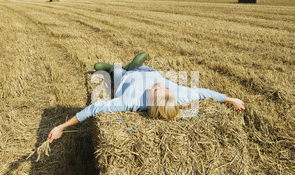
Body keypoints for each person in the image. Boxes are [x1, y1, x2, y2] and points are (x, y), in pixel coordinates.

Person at [48, 52, 245, 143]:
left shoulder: (130, 102)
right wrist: (231, 99)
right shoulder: (177, 95)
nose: (162, 86)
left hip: (126, 79)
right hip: (149, 71)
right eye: (165, 89)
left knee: (117, 72)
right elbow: (205, 92)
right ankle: (134, 64)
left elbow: (93, 109)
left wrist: (60, 127)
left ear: (150, 102)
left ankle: (114, 68)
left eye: (158, 90)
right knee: (145, 65)